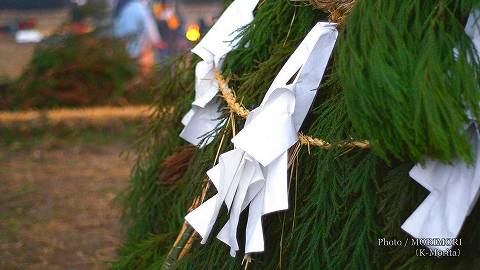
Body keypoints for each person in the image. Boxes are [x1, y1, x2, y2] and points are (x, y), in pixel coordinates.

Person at [113, 0, 163, 74]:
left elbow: (117, 32)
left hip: (124, 54)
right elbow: (150, 29)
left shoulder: (121, 10)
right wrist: (157, 42)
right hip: (140, 53)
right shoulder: (139, 8)